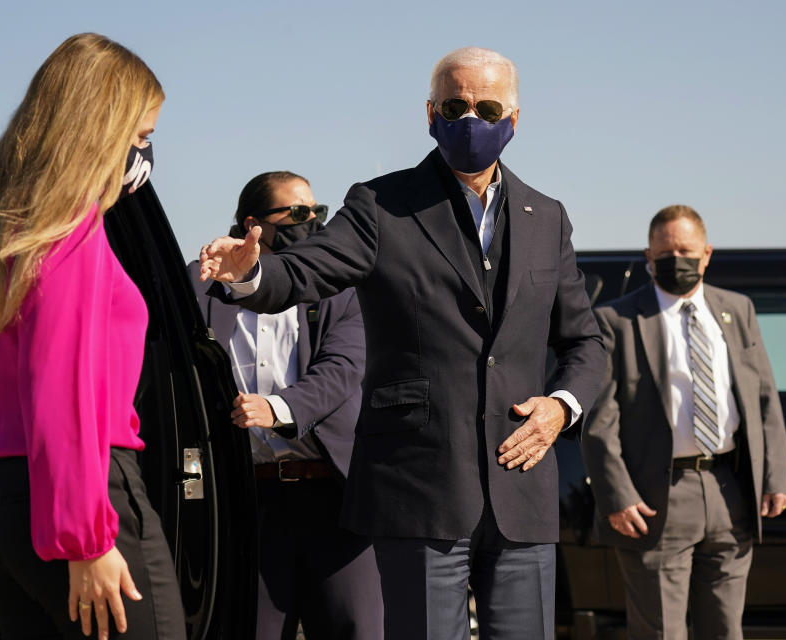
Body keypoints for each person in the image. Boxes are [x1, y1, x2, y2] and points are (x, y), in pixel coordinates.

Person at [198, 47, 606, 640]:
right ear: (430, 113)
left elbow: (585, 343)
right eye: (455, 105)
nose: (471, 119)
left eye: (487, 107)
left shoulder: (548, 216)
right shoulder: (381, 205)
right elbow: (310, 270)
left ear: (514, 120)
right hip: (418, 490)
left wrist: (559, 406)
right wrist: (250, 274)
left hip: (522, 490)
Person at [0, 33, 185, 640]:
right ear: (101, 128)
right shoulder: (70, 227)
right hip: (83, 504)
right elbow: (62, 390)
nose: (142, 153)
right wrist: (86, 539)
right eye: (141, 136)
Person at [581, 205, 786, 640]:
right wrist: (616, 497)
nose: (675, 258)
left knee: (724, 629)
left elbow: (764, 399)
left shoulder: (737, 310)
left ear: (707, 253)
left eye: (685, 250)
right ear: (648, 255)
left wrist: (777, 476)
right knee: (660, 632)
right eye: (665, 251)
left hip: (729, 490)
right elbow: (600, 421)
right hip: (657, 498)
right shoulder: (615, 321)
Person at [189, 171, 382, 640]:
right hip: (246, 502)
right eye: (296, 214)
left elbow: (343, 367)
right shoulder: (201, 286)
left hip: (333, 498)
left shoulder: (340, 287)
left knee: (357, 629)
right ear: (253, 224)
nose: (311, 221)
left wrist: (279, 408)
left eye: (316, 211)